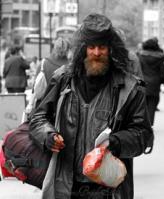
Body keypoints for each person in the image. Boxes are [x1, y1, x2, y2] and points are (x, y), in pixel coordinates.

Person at [29, 13, 153, 199]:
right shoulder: (63, 79)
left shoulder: (129, 88)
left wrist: (117, 142)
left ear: (111, 50)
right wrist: (48, 136)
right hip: (67, 187)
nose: (96, 53)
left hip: (109, 190)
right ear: (82, 49)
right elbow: (38, 118)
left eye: (102, 47)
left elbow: (143, 134)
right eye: (91, 47)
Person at [138, 37, 164, 126]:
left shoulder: (140, 56)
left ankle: (142, 122)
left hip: (142, 81)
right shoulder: (160, 57)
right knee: (152, 103)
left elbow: (137, 69)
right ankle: (149, 123)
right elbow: (163, 71)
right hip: (155, 82)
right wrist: (162, 81)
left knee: (142, 103)